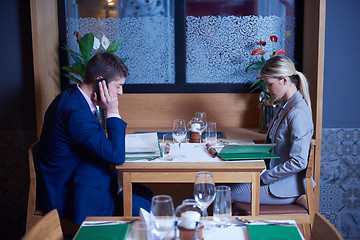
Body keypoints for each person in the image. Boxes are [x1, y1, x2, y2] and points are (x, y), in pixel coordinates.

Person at [36, 51, 151, 225]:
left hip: (85, 177)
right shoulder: (76, 112)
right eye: (118, 86)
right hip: (71, 194)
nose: (121, 92)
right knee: (149, 211)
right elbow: (116, 156)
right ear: (100, 81)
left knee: (147, 195)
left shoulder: (75, 97)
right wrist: (112, 111)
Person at [231, 55, 314, 204]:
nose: (267, 90)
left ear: (284, 80)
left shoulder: (298, 112)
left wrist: (264, 177)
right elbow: (274, 146)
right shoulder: (284, 105)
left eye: (269, 84)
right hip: (274, 179)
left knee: (222, 193)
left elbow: (299, 162)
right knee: (220, 183)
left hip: (283, 187)